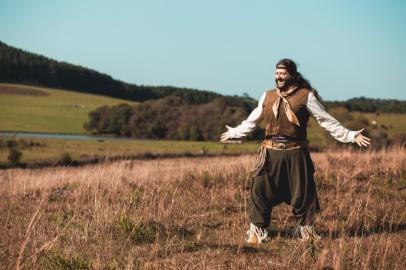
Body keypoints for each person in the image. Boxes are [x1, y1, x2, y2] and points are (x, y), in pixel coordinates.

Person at [220, 59, 371, 244]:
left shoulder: (306, 95)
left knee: (303, 193)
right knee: (259, 190)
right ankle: (257, 233)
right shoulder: (267, 96)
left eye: (282, 73)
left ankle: (305, 232)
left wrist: (350, 135)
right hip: (270, 153)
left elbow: (326, 120)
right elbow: (252, 121)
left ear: (292, 75)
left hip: (295, 154)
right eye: (276, 73)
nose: (279, 76)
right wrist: (234, 132)